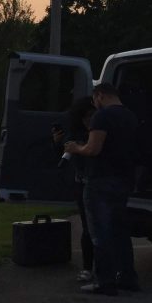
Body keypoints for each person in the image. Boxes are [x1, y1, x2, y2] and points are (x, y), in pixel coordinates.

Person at [64, 82, 140, 296]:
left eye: (95, 99)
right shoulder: (131, 116)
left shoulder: (102, 116)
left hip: (100, 182)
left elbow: (93, 149)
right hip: (123, 180)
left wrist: (75, 148)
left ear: (99, 95)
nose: (94, 104)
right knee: (120, 233)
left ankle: (104, 281)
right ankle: (127, 277)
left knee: (100, 233)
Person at [53, 97, 96, 283]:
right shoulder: (76, 132)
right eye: (85, 117)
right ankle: (88, 268)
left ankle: (103, 269)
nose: (88, 120)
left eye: (91, 116)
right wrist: (58, 143)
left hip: (96, 184)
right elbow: (65, 155)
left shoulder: (98, 133)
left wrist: (79, 147)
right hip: (82, 183)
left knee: (100, 228)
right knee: (87, 228)